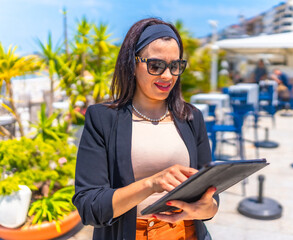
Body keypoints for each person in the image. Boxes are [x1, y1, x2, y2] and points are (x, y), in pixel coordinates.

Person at [72, 18, 219, 240]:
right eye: (156, 65)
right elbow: (89, 206)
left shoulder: (191, 117)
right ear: (132, 64)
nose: (168, 76)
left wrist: (206, 208)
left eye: (175, 66)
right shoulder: (102, 118)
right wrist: (151, 183)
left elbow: (212, 202)